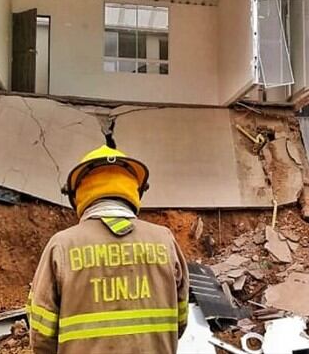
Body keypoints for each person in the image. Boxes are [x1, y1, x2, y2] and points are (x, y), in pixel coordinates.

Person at [27, 142, 189, 354]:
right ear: (136, 192)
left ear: (77, 195)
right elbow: (180, 319)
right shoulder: (164, 241)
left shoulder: (62, 246)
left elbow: (41, 333)